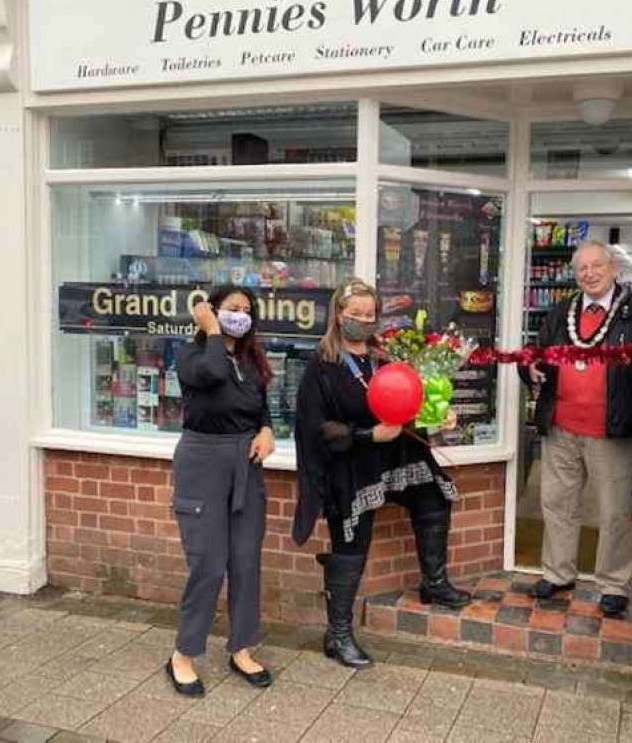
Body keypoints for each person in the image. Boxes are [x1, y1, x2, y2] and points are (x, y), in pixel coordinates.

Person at [293, 278, 471, 668]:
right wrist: (364, 434)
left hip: (396, 453)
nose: (362, 320)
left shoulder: (387, 356)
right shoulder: (321, 366)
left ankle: (434, 583)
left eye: (369, 314)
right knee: (352, 537)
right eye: (354, 313)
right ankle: (337, 634)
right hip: (352, 461)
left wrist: (436, 414)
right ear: (338, 314)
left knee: (433, 497)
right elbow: (314, 427)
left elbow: (407, 400)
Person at [519, 240, 632, 617]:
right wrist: (531, 367)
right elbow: (536, 354)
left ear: (613, 267)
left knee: (615, 511)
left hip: (614, 431)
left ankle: (614, 584)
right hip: (561, 427)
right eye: (582, 268)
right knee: (557, 503)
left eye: (596, 266)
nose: (589, 274)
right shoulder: (560, 312)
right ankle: (557, 573)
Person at [166, 285, 277, 697]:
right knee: (208, 564)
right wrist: (211, 329)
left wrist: (266, 430)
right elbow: (212, 374)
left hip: (246, 465)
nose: (241, 316)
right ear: (210, 312)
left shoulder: (250, 359)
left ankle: (241, 648)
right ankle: (184, 652)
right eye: (233, 309)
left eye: (247, 310)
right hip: (202, 460)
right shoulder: (191, 353)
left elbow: (260, 404)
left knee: (245, 562)